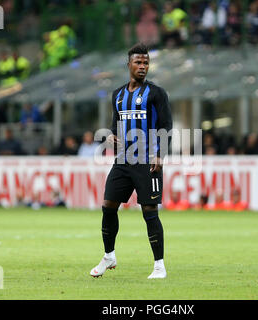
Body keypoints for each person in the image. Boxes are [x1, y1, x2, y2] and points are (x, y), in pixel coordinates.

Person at [90, 43, 172, 279]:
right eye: (138, 62)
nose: (143, 66)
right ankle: (109, 256)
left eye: (146, 62)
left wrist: (161, 154)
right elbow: (116, 125)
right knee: (108, 206)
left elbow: (167, 126)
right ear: (129, 65)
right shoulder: (117, 95)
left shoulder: (156, 93)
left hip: (149, 162)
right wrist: (113, 137)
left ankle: (159, 266)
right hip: (123, 161)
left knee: (149, 211)